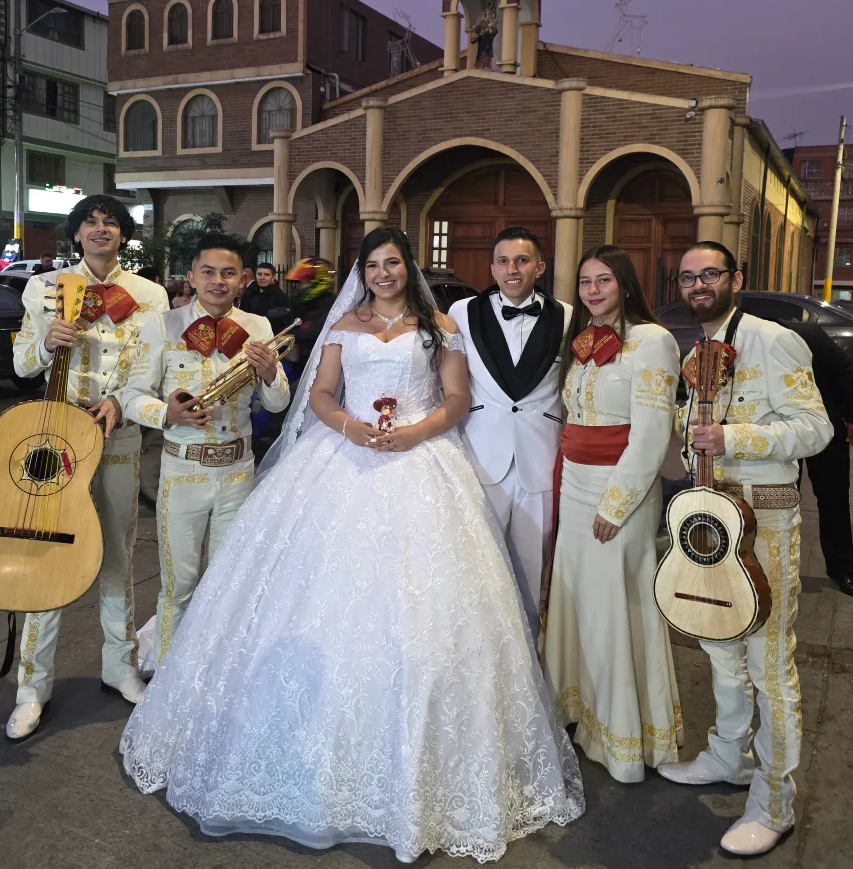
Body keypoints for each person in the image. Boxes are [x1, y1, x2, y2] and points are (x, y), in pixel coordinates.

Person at [120, 227, 585, 862]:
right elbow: (319, 394)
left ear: (408, 266)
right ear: (361, 273)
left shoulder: (440, 326)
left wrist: (415, 432)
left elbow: (457, 399)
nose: (384, 274)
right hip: (342, 457)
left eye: (393, 263)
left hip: (421, 461)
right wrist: (349, 427)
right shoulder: (345, 325)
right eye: (373, 265)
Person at [657, 240, 832, 857]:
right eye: (687, 277)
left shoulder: (772, 339)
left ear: (736, 278)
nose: (698, 285)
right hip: (710, 522)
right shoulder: (696, 351)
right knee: (719, 646)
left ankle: (775, 803)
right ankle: (728, 757)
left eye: (710, 274)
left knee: (768, 664)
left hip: (766, 523)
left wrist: (733, 437)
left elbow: (815, 428)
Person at [6, 195, 169, 742]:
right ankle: (32, 688)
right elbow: (21, 364)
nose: (102, 229)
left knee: (117, 552)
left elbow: (150, 369)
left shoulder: (148, 295)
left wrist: (122, 400)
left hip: (117, 437)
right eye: (91, 222)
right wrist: (44, 344)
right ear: (76, 233)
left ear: (123, 234)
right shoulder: (44, 288)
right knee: (47, 555)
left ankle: (119, 666)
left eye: (111, 222)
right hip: (56, 441)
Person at [542, 246, 682, 783]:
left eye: (603, 280)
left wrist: (616, 504)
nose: (593, 290)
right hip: (575, 483)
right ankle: (582, 711)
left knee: (616, 604)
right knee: (578, 598)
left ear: (625, 283)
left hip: (620, 489)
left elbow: (650, 435)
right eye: (585, 282)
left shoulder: (653, 341)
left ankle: (624, 734)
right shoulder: (581, 341)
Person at [118, 233, 290, 663]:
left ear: (243, 279)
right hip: (183, 471)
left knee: (228, 583)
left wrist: (272, 374)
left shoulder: (259, 326)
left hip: (238, 472)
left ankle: (214, 673)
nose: (218, 280)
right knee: (179, 584)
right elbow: (130, 395)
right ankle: (168, 675)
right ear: (191, 277)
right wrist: (168, 414)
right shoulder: (162, 326)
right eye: (208, 272)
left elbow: (277, 403)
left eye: (228, 273)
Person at [447, 226, 571, 639]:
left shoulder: (568, 315)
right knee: (477, 565)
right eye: (503, 261)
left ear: (540, 267)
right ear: (492, 269)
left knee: (534, 568)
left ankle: (530, 653)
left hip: (541, 453)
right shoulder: (462, 312)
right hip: (481, 453)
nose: (512, 269)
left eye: (521, 260)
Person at [782, 320, 853, 599]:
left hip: (826, 425)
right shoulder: (745, 342)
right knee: (780, 500)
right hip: (781, 431)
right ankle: (780, 568)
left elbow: (846, 372)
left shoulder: (808, 336)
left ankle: (842, 569)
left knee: (834, 499)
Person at [287, 257, 336, 379]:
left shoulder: (330, 303)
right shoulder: (301, 302)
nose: (300, 287)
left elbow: (316, 329)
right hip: (301, 360)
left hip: (320, 363)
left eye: (304, 282)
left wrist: (291, 336)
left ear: (317, 282)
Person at [243, 261, 292, 327]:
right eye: (259, 274)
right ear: (256, 276)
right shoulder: (249, 295)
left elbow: (287, 324)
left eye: (266, 275)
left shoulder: (282, 298)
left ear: (273, 277)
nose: (262, 278)